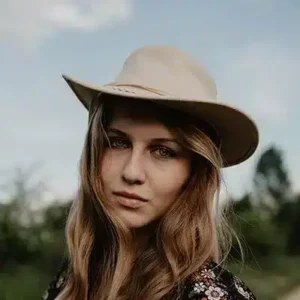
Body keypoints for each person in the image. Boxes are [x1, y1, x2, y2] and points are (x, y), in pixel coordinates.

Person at [42, 45, 259, 300]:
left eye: (163, 151)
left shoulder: (213, 296)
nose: (132, 173)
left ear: (194, 173)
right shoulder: (74, 276)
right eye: (118, 142)